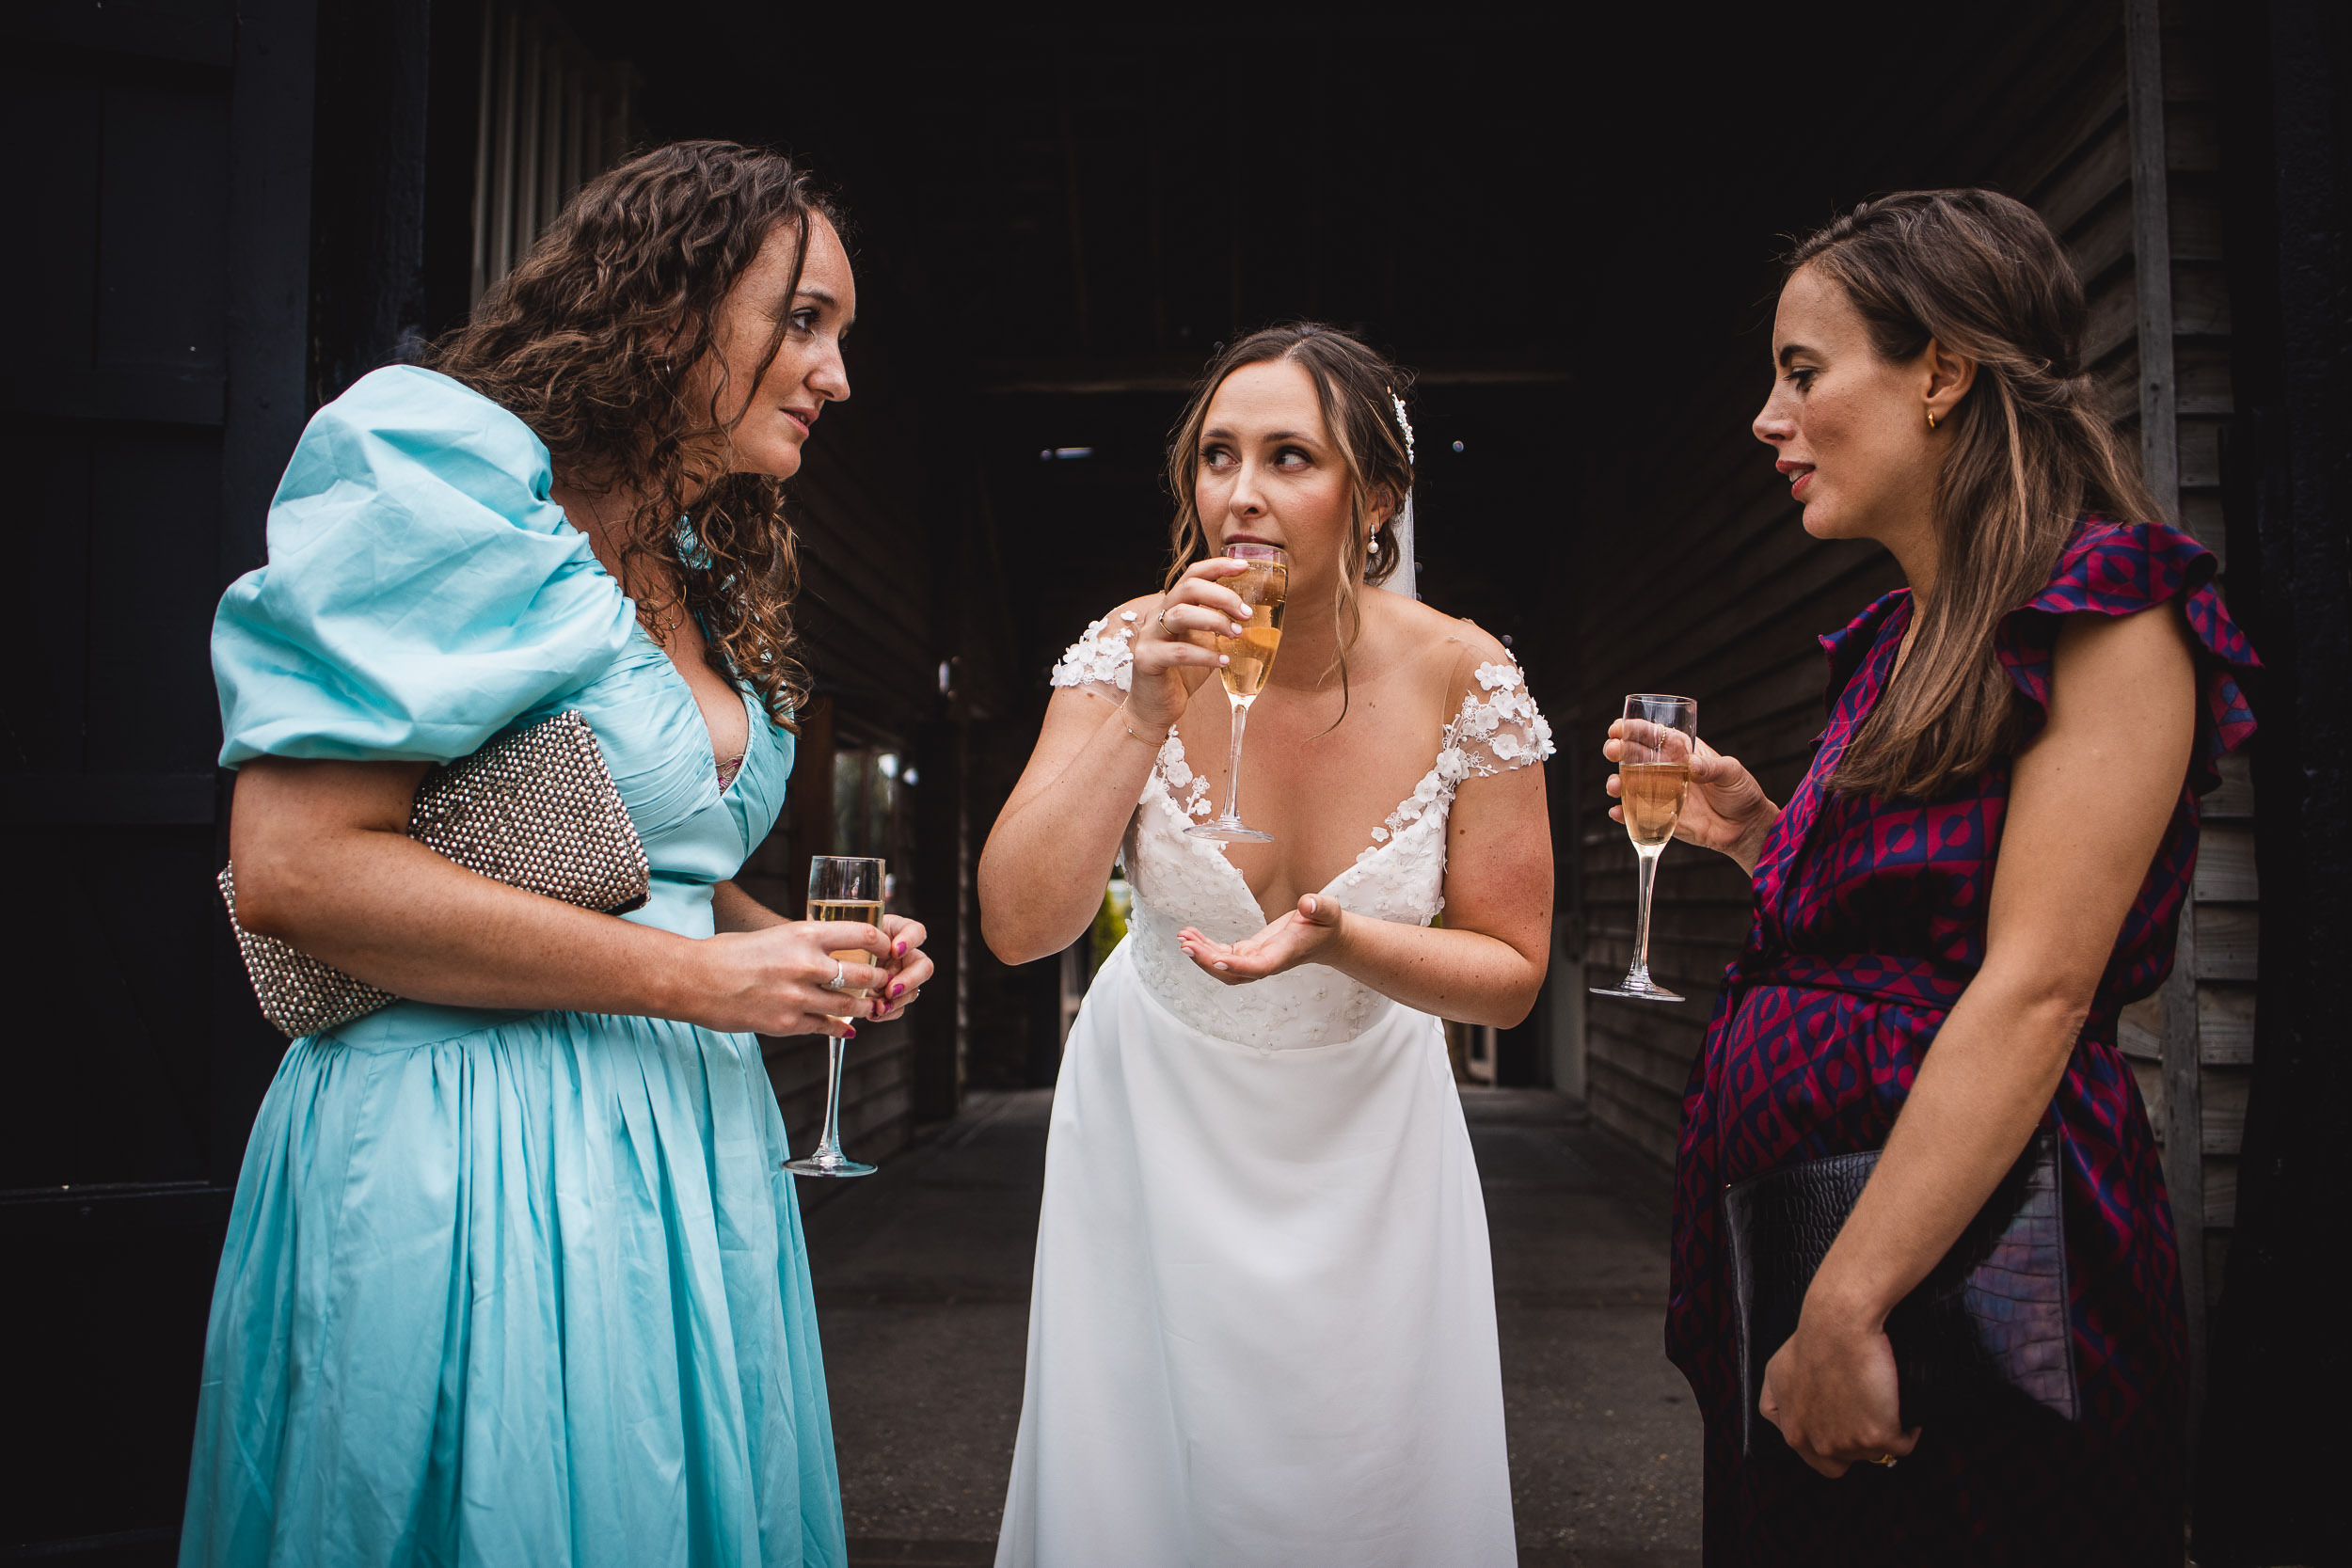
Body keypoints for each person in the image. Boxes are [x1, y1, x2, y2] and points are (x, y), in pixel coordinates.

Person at [182, 142, 930, 1568]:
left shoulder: (699, 557)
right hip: (465, 1145)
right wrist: (705, 982)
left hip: (681, 1143)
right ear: (670, 306)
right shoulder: (441, 474)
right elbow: (299, 868)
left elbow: (654, 868)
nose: (837, 376)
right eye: (807, 321)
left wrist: (791, 948)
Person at [1617, 190, 2258, 1564]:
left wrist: (1847, 1304)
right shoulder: (1907, 637)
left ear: (1944, 371)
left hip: (1970, 1269)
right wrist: (1757, 833)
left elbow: (2033, 985)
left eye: (1803, 372)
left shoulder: (2107, 612)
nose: (1766, 420)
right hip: (1812, 1233)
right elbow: (1925, 920)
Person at [980, 324, 1551, 1567]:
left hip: (1373, 1139)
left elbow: (1511, 979)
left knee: (1369, 1486)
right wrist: (1141, 711)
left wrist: (1348, 941)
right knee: (1139, 1488)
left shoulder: (1471, 677)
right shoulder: (1127, 645)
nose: (1240, 495)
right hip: (1152, 1117)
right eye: (1218, 456)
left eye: (1290, 457)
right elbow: (1024, 926)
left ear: (1376, 497)